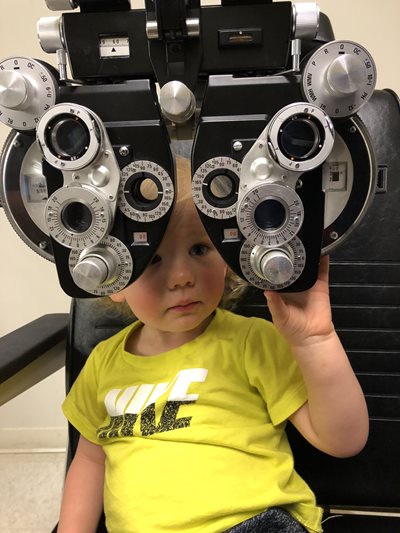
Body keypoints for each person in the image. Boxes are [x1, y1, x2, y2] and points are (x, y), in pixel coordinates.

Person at [58, 157, 369, 533]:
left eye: (199, 249)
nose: (181, 276)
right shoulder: (103, 364)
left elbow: (344, 440)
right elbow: (91, 461)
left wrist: (315, 340)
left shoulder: (251, 342)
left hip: (254, 523)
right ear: (113, 276)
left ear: (226, 256)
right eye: (152, 258)